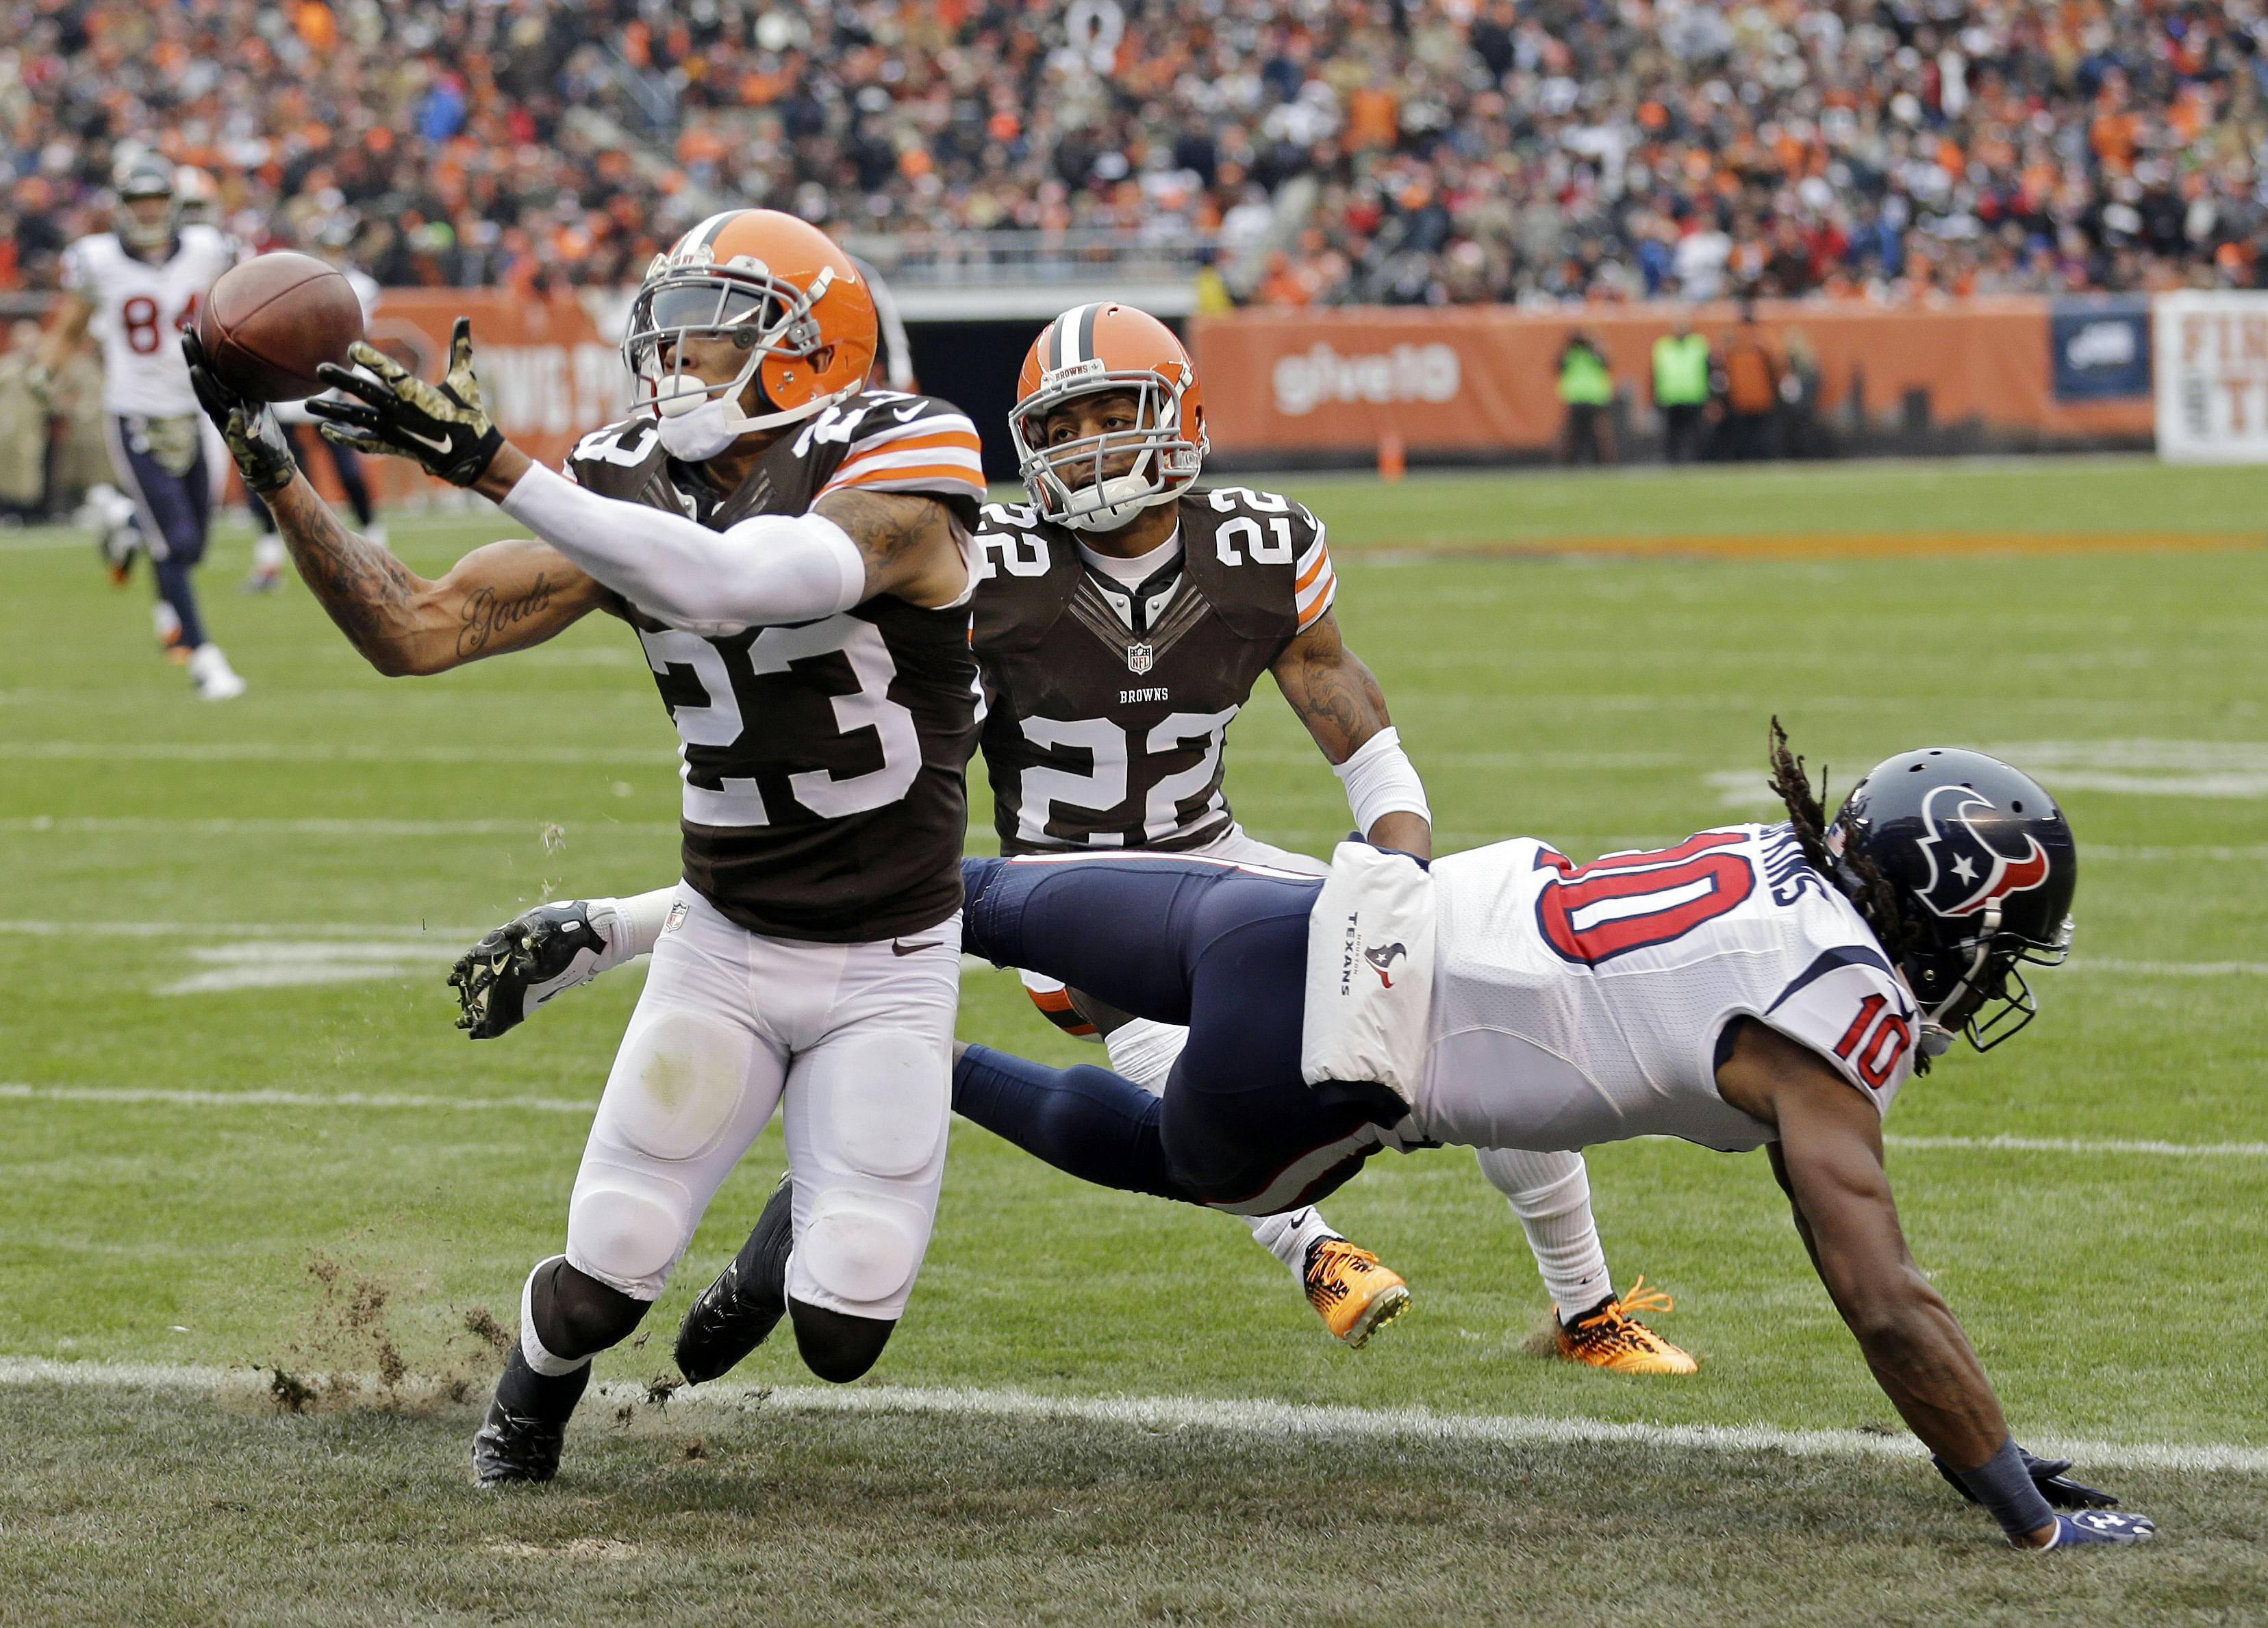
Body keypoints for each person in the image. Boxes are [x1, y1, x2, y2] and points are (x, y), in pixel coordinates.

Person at [451, 303, 1693, 1376]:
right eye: (1059, 426)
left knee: (1472, 991)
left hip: (1217, 859)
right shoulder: (982, 568)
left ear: (1181, 415)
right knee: (1204, 1077)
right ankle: (1311, 1247)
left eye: (1113, 414)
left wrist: (1403, 866)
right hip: (1058, 897)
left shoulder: (1257, 546)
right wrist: (622, 928)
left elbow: (1354, 722)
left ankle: (1583, 1304)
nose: (1089, 446)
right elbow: (845, 834)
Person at [186, 208, 990, 1485]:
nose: (672, 363)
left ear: (809, 347)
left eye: (712, 334)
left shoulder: (903, 452)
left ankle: (793, 1240)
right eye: (662, 334)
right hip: (722, 940)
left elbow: (742, 581)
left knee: (843, 1331)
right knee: (603, 1271)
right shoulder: (624, 481)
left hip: (891, 957)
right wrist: (270, 461)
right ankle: (528, 1397)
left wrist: (498, 464)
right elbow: (416, 629)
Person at [933, 726, 2157, 1550]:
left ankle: (752, 923)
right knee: (1166, 1152)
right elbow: (1883, 1298)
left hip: (1290, 914)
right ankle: (923, 1067)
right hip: (1323, 1069)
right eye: (1998, 946)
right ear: (1950, 920)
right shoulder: (1834, 1015)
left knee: (961, 893)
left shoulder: (1779, 852)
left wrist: (1989, 1446)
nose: (1987, 977)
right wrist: (2016, 1500)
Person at [34, 154, 247, 698]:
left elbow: (239, 313)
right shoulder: (97, 260)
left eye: (155, 199)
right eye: (136, 201)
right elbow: (71, 324)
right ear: (122, 208)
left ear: (172, 205)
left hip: (197, 410)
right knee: (173, 542)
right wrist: (45, 371)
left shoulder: (207, 250)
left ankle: (124, 520)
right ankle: (203, 656)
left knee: (193, 543)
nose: (147, 210)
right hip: (134, 412)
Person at [243, 218, 388, 590]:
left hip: (330, 382)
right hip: (290, 383)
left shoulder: (359, 287)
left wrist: (362, 381)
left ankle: (376, 542)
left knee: (348, 471)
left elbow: (358, 339)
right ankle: (269, 560)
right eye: (329, 248)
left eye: (339, 249)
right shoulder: (294, 279)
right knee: (278, 475)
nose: (334, 256)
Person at [1717, 307, 1782, 461]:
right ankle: (1759, 459)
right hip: (1760, 396)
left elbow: (1719, 363)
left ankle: (1745, 459)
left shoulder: (1731, 336)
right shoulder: (1763, 335)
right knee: (1759, 434)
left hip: (1739, 396)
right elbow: (1778, 363)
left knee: (1744, 435)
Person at [1650, 318, 1711, 463]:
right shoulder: (1663, 346)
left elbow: (1708, 370)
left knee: (1695, 434)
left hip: (1695, 396)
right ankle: (1673, 462)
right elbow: (1655, 373)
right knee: (1672, 434)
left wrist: (1711, 397)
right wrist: (1654, 397)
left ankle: (1695, 461)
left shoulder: (1698, 345)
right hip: (1670, 397)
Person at [1555, 330, 1615, 465]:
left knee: (1598, 433)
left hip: (1595, 398)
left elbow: (1607, 363)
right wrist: (1568, 345)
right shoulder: (1571, 354)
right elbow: (1557, 365)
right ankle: (1570, 462)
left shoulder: (1594, 353)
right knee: (1574, 433)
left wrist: (1593, 345)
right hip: (1576, 398)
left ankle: (1601, 462)